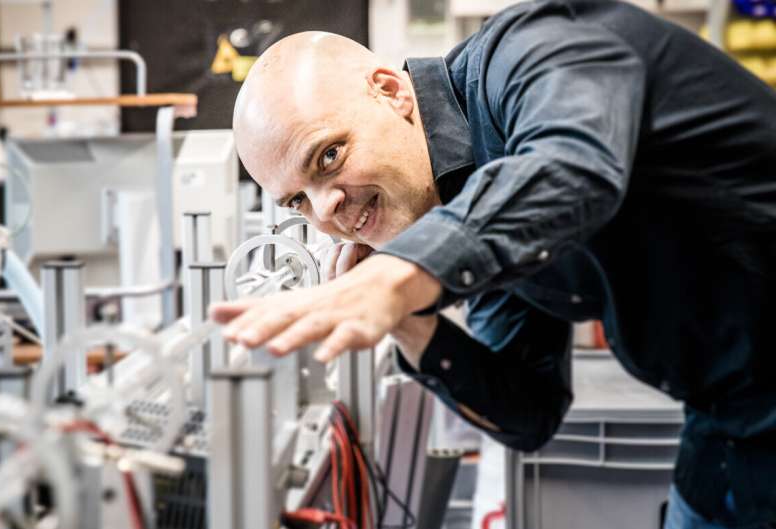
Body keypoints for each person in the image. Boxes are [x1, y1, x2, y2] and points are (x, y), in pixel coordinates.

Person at [209, 1, 776, 527]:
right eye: (298, 201)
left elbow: (573, 166)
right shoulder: (466, 206)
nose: (326, 208)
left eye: (329, 156)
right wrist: (408, 323)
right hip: (731, 425)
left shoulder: (536, 49)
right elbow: (529, 412)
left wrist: (396, 276)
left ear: (389, 91)